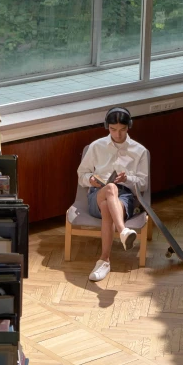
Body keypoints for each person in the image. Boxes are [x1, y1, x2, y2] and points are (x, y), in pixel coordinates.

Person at [77, 107, 149, 282]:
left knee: (108, 205)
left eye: (122, 129)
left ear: (129, 126)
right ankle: (123, 231)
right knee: (109, 189)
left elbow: (143, 184)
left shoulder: (139, 151)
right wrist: (91, 180)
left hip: (125, 198)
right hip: (97, 194)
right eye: (113, 129)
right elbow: (82, 175)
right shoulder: (96, 146)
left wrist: (128, 179)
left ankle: (104, 260)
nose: (117, 134)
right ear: (107, 127)